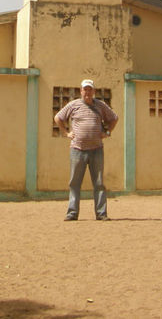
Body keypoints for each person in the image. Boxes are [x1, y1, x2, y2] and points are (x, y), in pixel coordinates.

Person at [54, 78, 118, 221]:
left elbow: (114, 118)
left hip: (97, 150)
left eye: (90, 89)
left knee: (99, 183)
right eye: (85, 89)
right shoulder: (74, 105)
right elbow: (58, 117)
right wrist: (66, 133)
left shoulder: (100, 106)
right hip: (78, 150)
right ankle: (72, 213)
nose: (87, 92)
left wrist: (107, 132)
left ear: (93, 91)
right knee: (75, 182)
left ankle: (101, 214)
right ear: (81, 91)